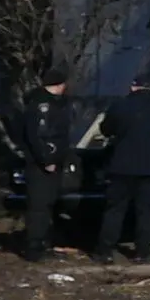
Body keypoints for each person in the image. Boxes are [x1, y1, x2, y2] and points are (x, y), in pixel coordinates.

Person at [97, 77, 150, 263]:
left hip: (122, 167)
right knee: (146, 213)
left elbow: (106, 129)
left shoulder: (120, 105)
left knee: (115, 211)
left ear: (133, 86)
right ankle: (143, 252)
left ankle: (106, 251)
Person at [19, 70, 93, 261]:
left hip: (54, 162)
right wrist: (47, 160)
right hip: (42, 165)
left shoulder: (56, 104)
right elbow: (39, 136)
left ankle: (43, 242)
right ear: (58, 84)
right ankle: (34, 247)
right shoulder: (41, 105)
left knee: (48, 204)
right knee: (39, 206)